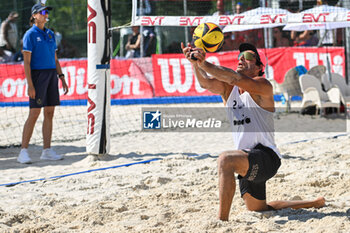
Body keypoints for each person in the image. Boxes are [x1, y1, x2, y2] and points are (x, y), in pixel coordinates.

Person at [181, 42, 325, 221]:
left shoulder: (263, 86)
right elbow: (205, 83)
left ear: (259, 67)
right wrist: (194, 63)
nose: (241, 59)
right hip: (246, 160)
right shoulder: (229, 90)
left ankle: (222, 222)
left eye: (248, 57)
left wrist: (204, 63)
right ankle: (311, 202)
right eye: (239, 56)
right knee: (259, 209)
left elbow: (234, 78)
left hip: (266, 157)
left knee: (225, 160)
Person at [17, 3, 69, 164]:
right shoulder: (30, 35)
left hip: (51, 74)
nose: (46, 14)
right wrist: (30, 85)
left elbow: (54, 58)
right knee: (34, 113)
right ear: (34, 16)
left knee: (49, 113)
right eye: (43, 12)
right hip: (37, 76)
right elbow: (26, 63)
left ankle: (47, 150)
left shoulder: (50, 34)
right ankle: (23, 151)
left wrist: (61, 76)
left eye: (47, 12)